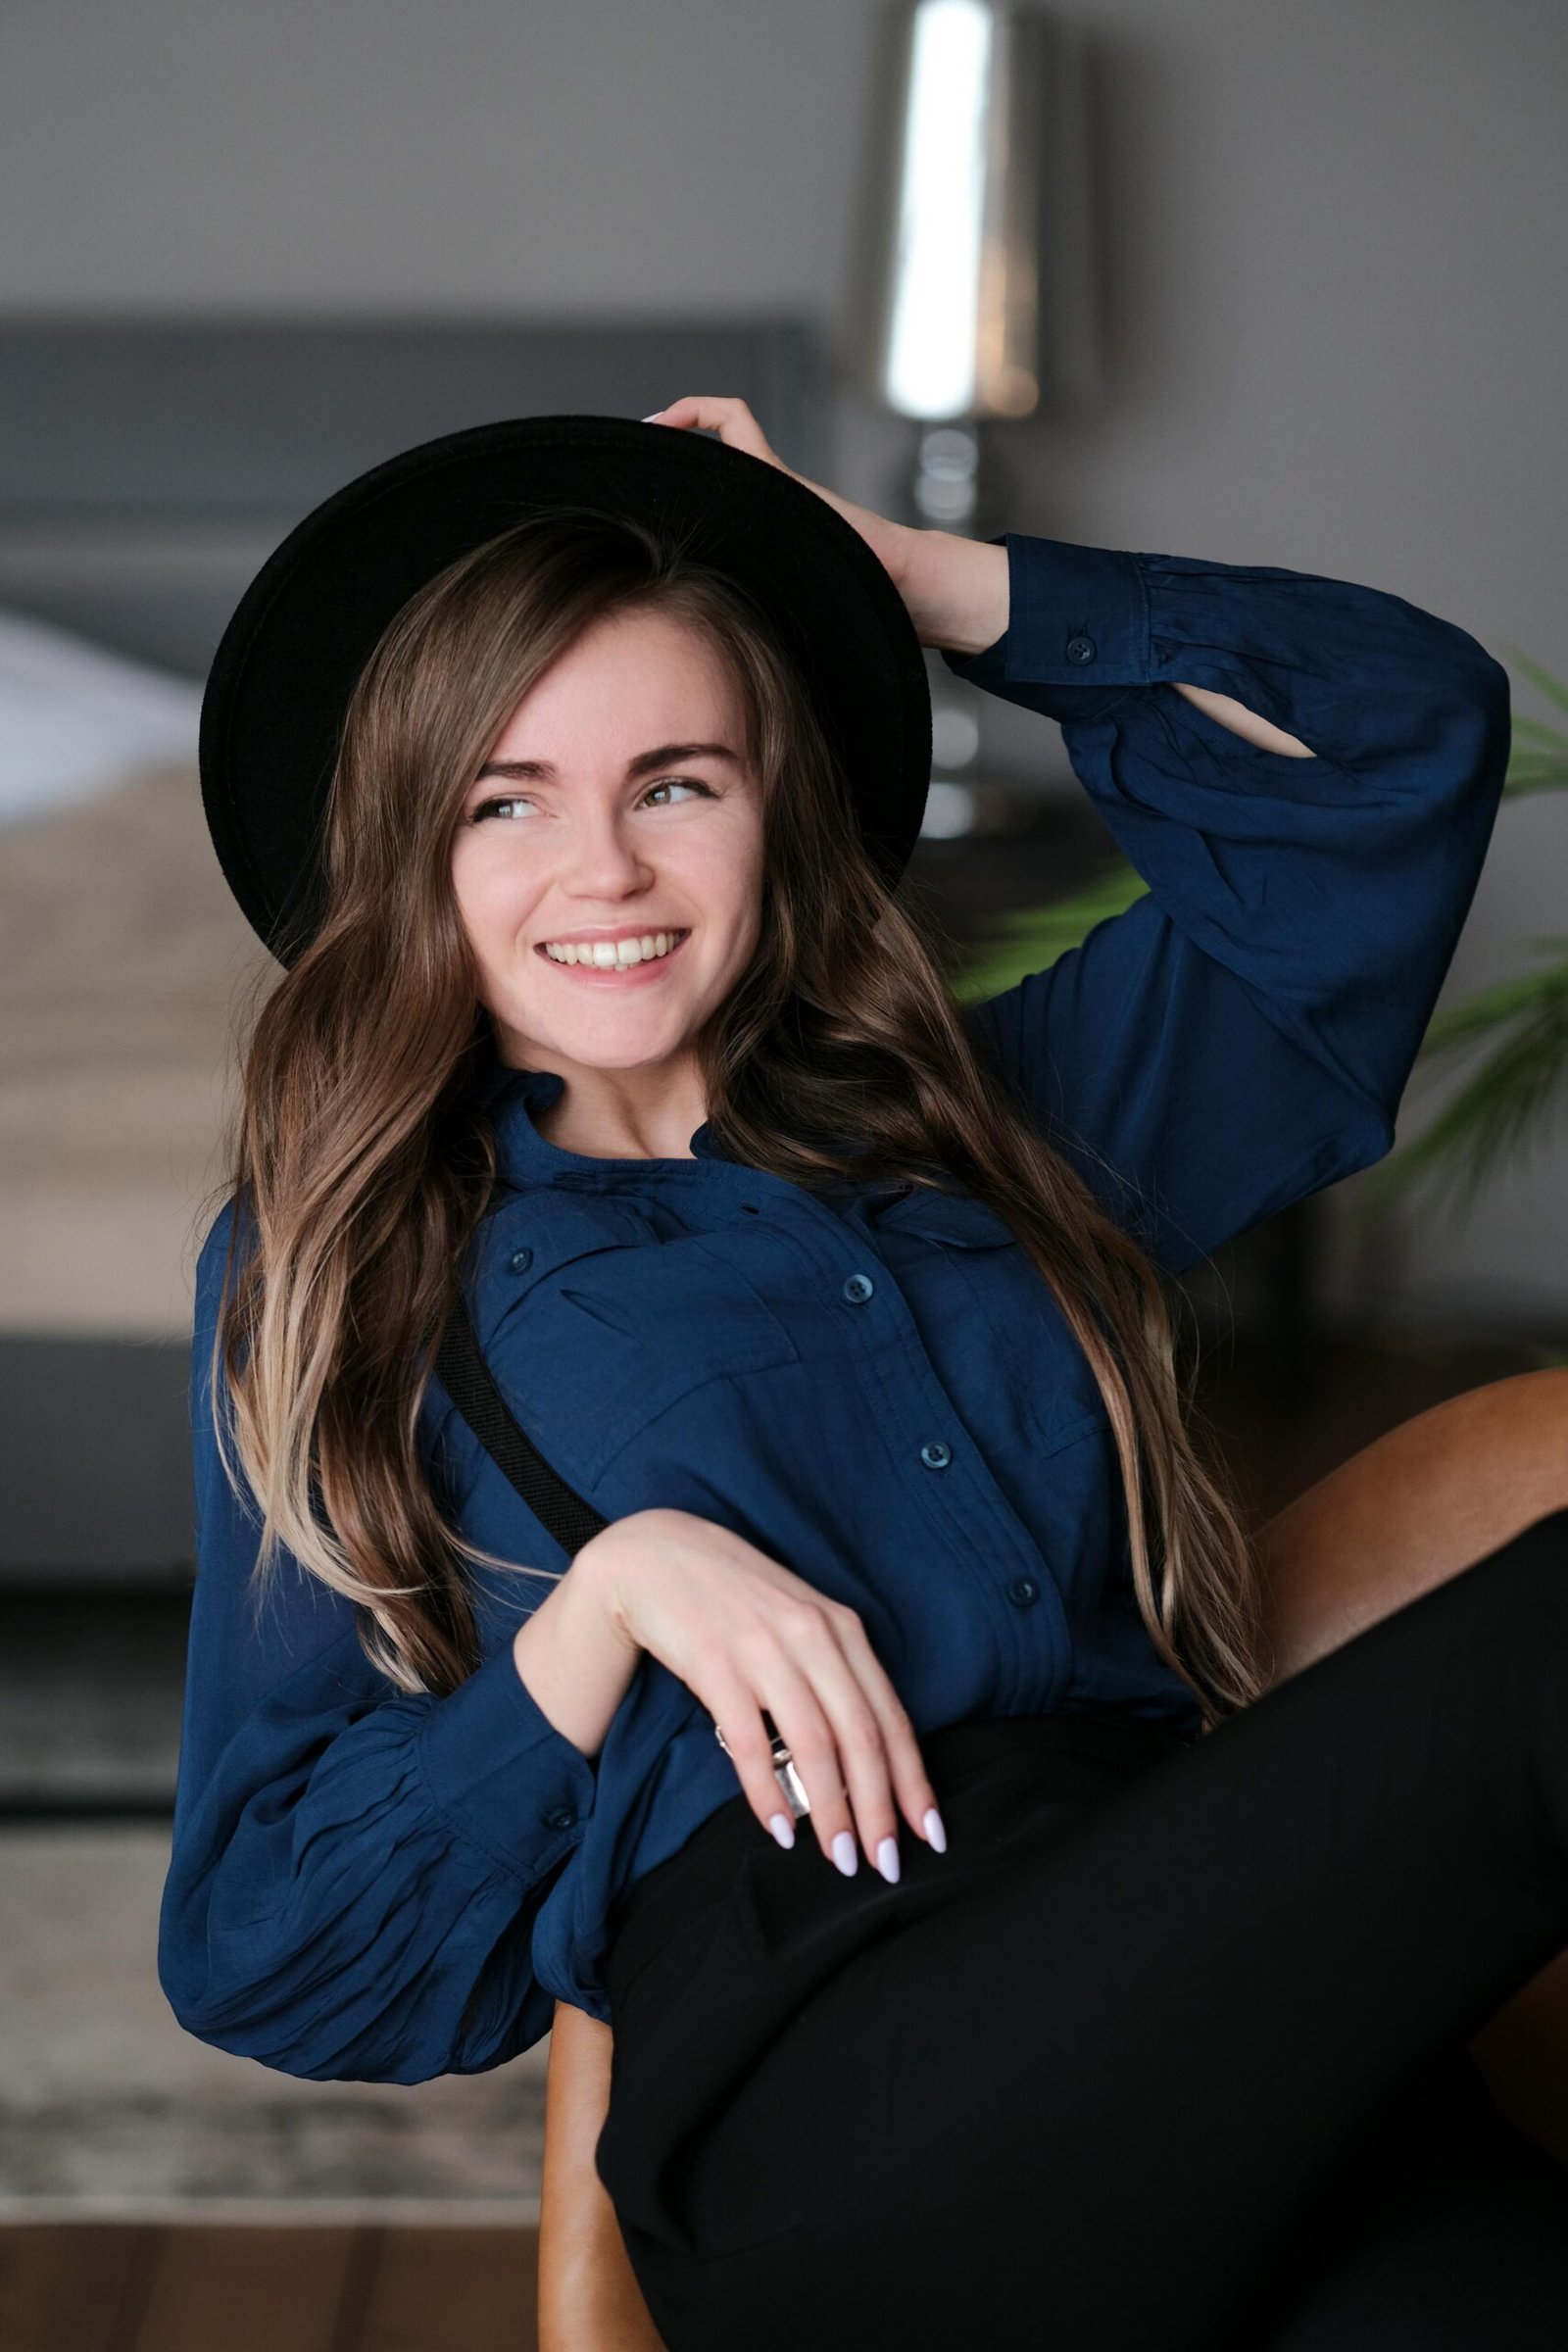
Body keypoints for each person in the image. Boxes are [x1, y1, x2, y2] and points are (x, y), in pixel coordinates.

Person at [160, 398, 1568, 2348]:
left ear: (776, 805)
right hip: (846, 2084)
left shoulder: (994, 1117)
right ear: (408, 847)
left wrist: (892, 580)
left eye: (674, 783)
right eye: (505, 801)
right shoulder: (359, 1251)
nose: (606, 872)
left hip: (1196, 1967)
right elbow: (260, 1946)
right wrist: (609, 1608)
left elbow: (1396, 742)